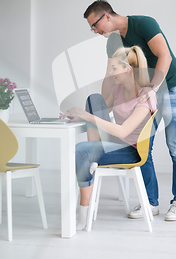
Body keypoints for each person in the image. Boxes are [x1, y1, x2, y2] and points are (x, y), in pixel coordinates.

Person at [83, 0, 176, 221]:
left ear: (107, 16)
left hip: (170, 88)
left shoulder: (144, 24)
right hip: (145, 92)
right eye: (92, 28)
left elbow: (165, 56)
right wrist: (102, 106)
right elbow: (110, 75)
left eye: (95, 25)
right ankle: (150, 203)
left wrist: (153, 88)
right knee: (141, 147)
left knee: (175, 146)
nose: (95, 31)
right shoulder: (112, 41)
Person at [61, 46, 156, 231]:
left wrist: (88, 117)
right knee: (94, 98)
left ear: (128, 69)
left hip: (132, 151)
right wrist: (83, 116)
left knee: (81, 150)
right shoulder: (119, 90)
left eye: (114, 69)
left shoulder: (145, 97)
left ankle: (83, 216)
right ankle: (92, 153)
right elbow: (100, 109)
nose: (111, 73)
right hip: (116, 143)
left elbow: (122, 131)